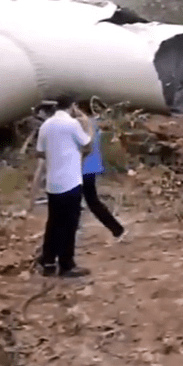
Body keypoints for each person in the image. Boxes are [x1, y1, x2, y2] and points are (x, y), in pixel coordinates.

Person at [32, 94, 94, 278]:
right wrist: (88, 126)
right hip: (71, 182)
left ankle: (49, 261)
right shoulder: (72, 124)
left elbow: (39, 153)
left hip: (53, 183)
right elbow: (87, 146)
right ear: (73, 106)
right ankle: (67, 264)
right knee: (69, 224)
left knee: (53, 223)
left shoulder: (46, 125)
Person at [77, 100, 126, 240]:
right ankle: (117, 229)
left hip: (82, 167)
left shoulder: (83, 124)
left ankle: (117, 229)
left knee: (88, 201)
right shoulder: (91, 122)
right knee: (90, 201)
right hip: (89, 167)